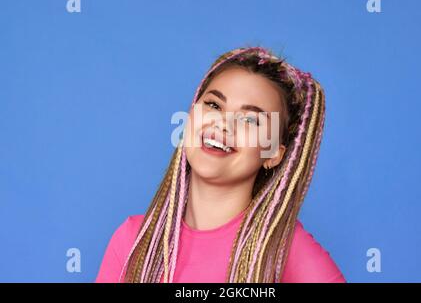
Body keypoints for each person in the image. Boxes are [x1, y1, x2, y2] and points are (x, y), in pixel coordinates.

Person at [95, 46, 346, 283]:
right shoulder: (134, 241)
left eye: (250, 119)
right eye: (214, 105)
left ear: (273, 154)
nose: (223, 124)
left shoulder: (286, 251)